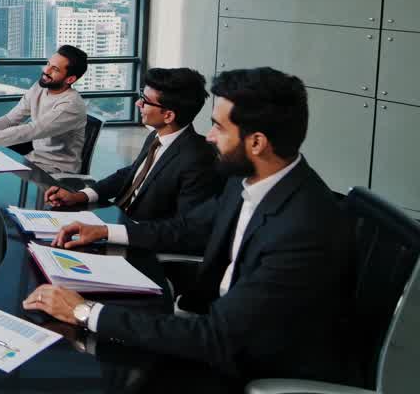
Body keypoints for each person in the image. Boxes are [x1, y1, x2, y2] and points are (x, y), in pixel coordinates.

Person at [25, 68, 356, 389]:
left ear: (256, 143)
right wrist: (104, 232)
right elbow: (187, 228)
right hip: (216, 323)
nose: (209, 137)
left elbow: (219, 338)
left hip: (252, 362)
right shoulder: (248, 182)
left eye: (219, 127)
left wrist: (85, 311)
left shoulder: (302, 228)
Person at [44, 67, 221, 221]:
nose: (138, 103)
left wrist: (114, 232)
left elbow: (185, 227)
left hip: (138, 239)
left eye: (145, 100)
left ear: (168, 115)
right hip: (116, 219)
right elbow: (132, 173)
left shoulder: (198, 158)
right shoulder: (156, 137)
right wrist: (81, 196)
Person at [0, 45, 90, 175]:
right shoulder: (40, 87)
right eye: (48, 64)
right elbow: (10, 120)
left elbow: (30, 130)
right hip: (33, 160)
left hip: (57, 170)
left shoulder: (70, 106)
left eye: (55, 69)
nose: (46, 70)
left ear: (70, 79)